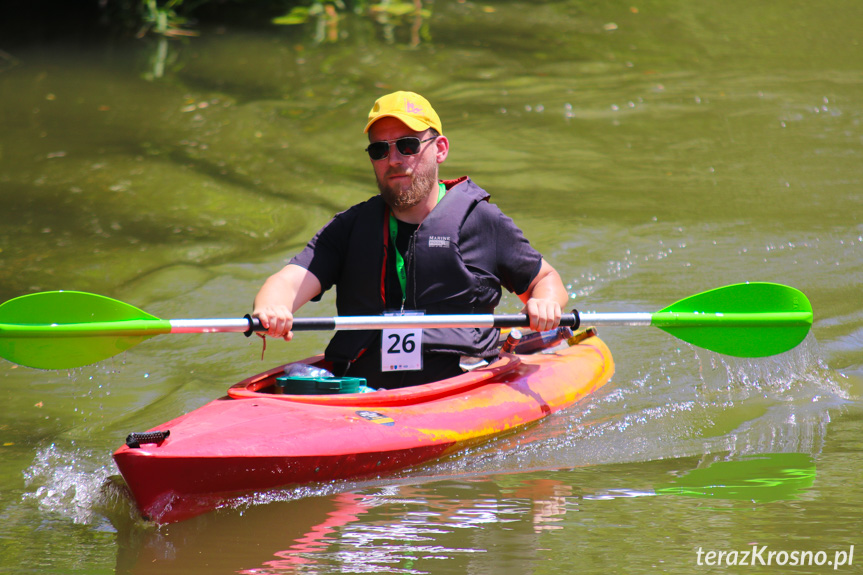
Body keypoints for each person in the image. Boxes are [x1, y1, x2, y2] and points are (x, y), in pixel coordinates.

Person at [253, 91, 568, 389]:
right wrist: (271, 308)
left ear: (440, 149)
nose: (393, 160)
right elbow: (288, 282)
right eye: (380, 150)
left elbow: (545, 279)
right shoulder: (349, 227)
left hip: (458, 385)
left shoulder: (482, 221)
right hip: (364, 389)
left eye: (408, 145)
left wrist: (546, 302)